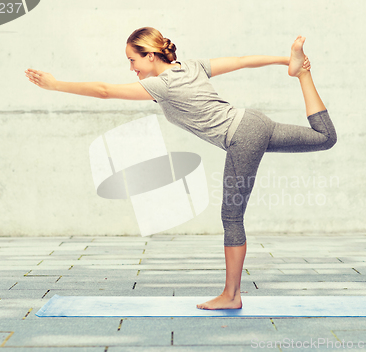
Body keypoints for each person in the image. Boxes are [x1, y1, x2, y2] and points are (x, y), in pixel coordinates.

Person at [25, 27, 337, 310]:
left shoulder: (161, 85)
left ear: (150, 55)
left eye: (133, 61)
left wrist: (55, 84)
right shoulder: (191, 66)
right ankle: (303, 76)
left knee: (231, 216)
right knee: (324, 138)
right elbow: (242, 60)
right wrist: (287, 60)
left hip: (242, 136)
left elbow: (105, 90)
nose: (131, 68)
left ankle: (231, 295)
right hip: (254, 122)